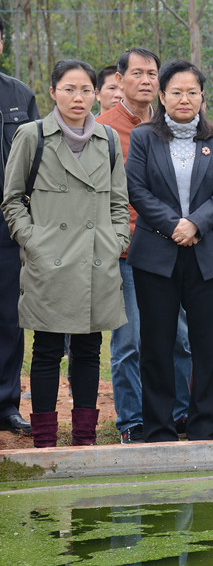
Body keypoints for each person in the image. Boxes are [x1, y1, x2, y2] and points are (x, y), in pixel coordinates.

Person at [1, 59, 130, 447]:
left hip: (95, 261)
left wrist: (115, 242)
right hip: (49, 263)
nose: (78, 97)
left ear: (96, 93)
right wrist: (33, 242)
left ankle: (84, 439)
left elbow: (119, 202)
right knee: (47, 350)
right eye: (69, 89)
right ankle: (44, 440)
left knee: (89, 350)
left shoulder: (107, 139)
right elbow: (12, 199)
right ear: (53, 91)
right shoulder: (32, 135)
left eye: (86, 90)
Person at [125, 59, 213, 442]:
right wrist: (174, 225)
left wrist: (194, 224)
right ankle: (159, 427)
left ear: (202, 96)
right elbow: (136, 189)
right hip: (156, 255)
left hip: (206, 255)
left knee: (206, 345)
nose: (184, 99)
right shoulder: (143, 138)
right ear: (162, 96)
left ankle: (205, 426)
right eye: (176, 92)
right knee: (156, 345)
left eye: (192, 92)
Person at [97, 48, 193, 443]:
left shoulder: (174, 124)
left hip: (170, 248)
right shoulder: (102, 130)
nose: (146, 80)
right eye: (137, 73)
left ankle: (180, 413)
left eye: (152, 73)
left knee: (179, 337)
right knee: (130, 341)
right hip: (125, 251)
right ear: (119, 80)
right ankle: (133, 421)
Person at [0, 16, 39, 435]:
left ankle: (6, 403)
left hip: (7, 228)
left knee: (9, 320)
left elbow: (37, 161)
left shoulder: (19, 95)